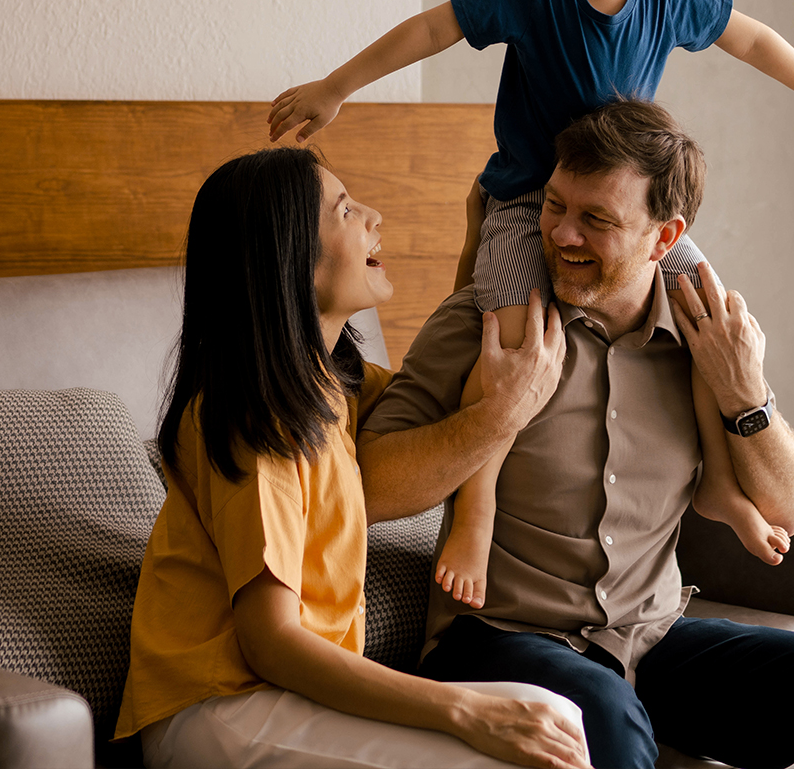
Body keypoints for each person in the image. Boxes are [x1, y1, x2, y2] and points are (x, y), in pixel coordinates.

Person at [268, 0, 794, 606]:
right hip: (525, 201)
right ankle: (474, 513)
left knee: (705, 316)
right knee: (509, 348)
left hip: (628, 206)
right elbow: (428, 31)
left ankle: (721, 486)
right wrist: (336, 87)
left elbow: (752, 38)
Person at [359, 100, 794, 768]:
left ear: (663, 236)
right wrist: (495, 415)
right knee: (602, 712)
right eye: (555, 206)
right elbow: (370, 487)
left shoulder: (702, 340)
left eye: (596, 220)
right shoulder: (488, 327)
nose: (562, 234)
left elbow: (787, 507)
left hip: (649, 639)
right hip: (499, 637)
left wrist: (746, 393)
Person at [112, 147, 592, 769]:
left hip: (287, 698)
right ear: (292, 259)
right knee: (512, 756)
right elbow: (271, 642)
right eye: (345, 211)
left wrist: (485, 246)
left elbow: (446, 399)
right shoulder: (254, 419)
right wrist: (466, 711)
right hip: (218, 709)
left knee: (556, 714)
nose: (374, 217)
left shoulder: (336, 389)